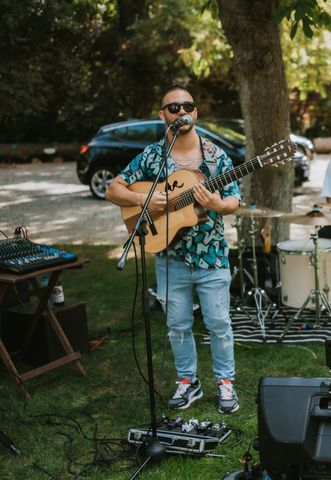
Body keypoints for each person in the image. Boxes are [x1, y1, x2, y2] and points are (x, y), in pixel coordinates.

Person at [105, 85, 241, 413]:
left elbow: (234, 199)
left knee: (218, 324)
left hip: (211, 256)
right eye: (173, 108)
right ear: (162, 115)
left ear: (196, 113)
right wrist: (143, 199)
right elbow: (113, 190)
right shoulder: (153, 156)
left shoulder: (215, 156)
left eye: (187, 106)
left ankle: (225, 383)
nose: (181, 112)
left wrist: (217, 205)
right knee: (177, 325)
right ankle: (188, 382)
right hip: (169, 256)